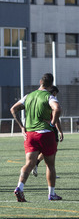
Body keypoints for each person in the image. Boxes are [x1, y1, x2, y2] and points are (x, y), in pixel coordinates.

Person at [10, 73, 62, 202]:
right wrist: (52, 123)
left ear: (40, 82)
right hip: (45, 134)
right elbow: (57, 108)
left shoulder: (28, 96)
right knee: (50, 165)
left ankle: (19, 188)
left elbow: (13, 109)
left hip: (30, 135)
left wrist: (22, 127)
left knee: (29, 163)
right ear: (51, 85)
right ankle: (51, 193)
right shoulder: (49, 96)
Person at [32, 86, 64, 177]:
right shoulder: (52, 102)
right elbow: (56, 119)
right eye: (55, 94)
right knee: (52, 151)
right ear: (53, 92)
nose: (55, 96)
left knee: (42, 150)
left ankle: (36, 164)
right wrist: (60, 131)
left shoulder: (39, 101)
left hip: (36, 129)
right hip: (50, 129)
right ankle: (37, 164)